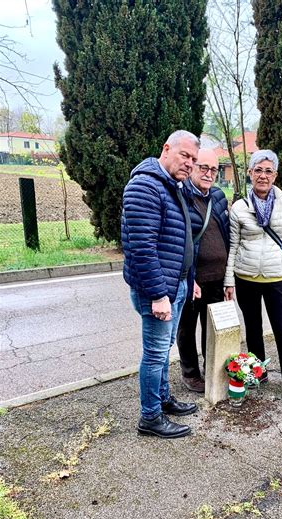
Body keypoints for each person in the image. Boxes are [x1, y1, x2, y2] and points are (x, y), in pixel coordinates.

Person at [121, 130, 204, 439]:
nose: (190, 164)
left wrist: (190, 279)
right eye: (185, 156)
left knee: (164, 349)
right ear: (166, 148)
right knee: (155, 354)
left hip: (177, 284)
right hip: (158, 290)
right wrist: (158, 294)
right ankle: (150, 417)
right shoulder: (144, 186)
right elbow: (142, 248)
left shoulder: (174, 186)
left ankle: (164, 400)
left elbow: (181, 241)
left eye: (194, 160)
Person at [223, 149, 282, 405]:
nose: (263, 176)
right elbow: (232, 246)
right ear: (250, 173)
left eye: (268, 171)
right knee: (253, 329)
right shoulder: (239, 207)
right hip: (246, 277)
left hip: (276, 277)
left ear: (275, 175)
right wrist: (229, 281)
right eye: (258, 170)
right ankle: (258, 372)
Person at [177, 149, 229, 393]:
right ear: (193, 167)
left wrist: (229, 278)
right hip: (193, 279)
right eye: (203, 168)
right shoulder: (180, 195)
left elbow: (227, 235)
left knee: (213, 328)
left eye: (214, 170)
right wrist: (189, 276)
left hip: (217, 278)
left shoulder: (218, 196)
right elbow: (177, 242)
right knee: (187, 327)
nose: (209, 174)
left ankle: (212, 369)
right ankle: (190, 374)